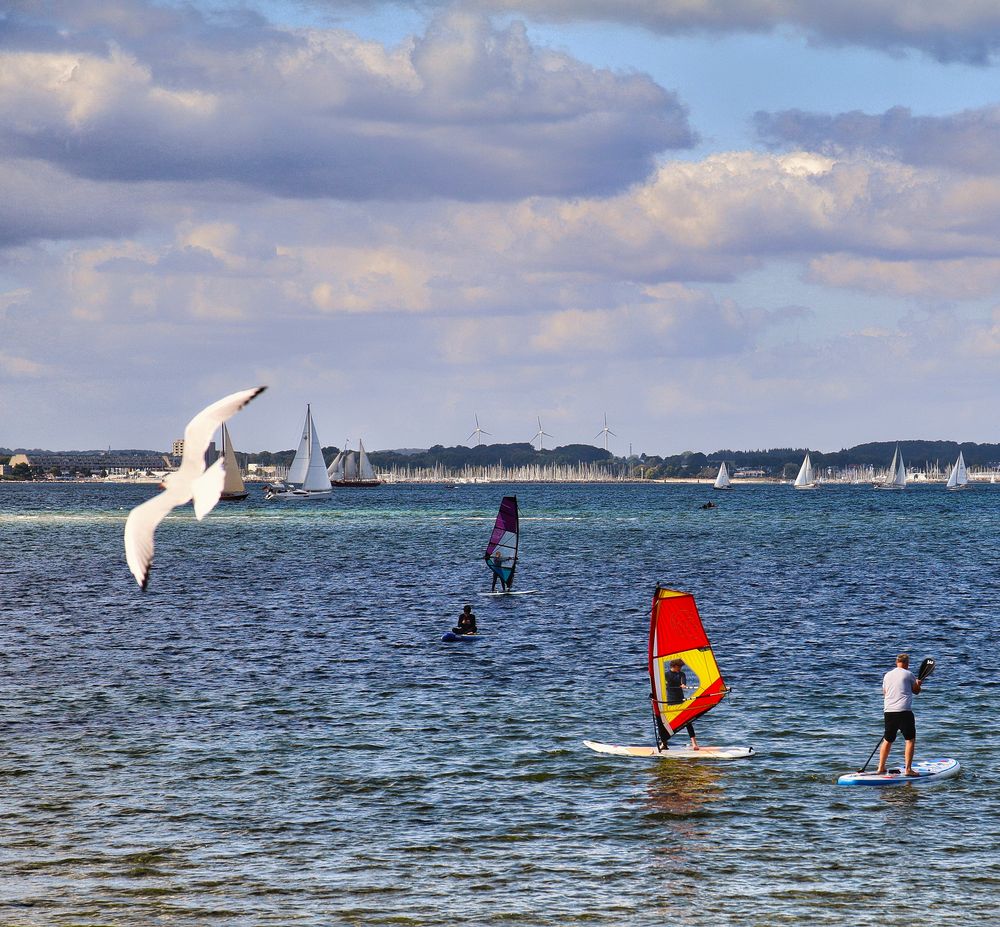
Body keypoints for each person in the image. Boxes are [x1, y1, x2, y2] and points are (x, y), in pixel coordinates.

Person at [876, 652, 923, 776]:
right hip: (904, 711)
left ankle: (881, 767)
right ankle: (908, 769)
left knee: (888, 739)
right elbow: (916, 691)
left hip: (889, 711)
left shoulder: (887, 675)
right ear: (907, 664)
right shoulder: (909, 674)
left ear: (897, 662)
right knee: (910, 739)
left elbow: (885, 693)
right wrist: (918, 684)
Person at [664, 658, 699, 750]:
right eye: (679, 667)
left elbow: (683, 682)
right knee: (665, 723)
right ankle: (664, 743)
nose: (680, 668)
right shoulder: (665, 675)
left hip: (680, 700)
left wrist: (683, 685)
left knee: (688, 721)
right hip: (669, 701)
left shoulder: (681, 674)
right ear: (674, 666)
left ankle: (694, 743)